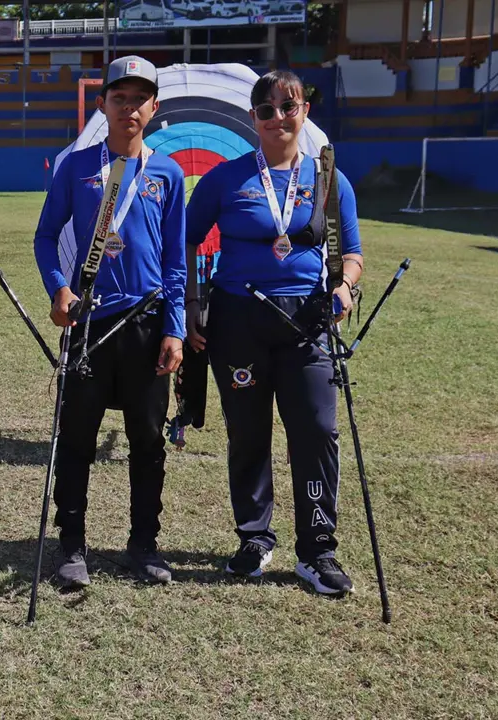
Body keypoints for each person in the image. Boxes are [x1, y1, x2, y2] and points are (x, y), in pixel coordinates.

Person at [184, 70, 364, 596]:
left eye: (289, 107)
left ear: (305, 110)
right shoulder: (224, 178)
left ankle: (317, 550)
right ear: (253, 120)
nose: (278, 117)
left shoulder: (329, 179)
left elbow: (350, 254)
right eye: (266, 110)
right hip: (239, 321)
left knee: (315, 431)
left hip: (306, 322)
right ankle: (254, 538)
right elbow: (186, 243)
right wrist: (194, 304)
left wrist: (345, 286)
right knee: (248, 433)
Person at [32, 56, 187, 588]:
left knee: (147, 439)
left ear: (154, 108)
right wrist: (59, 290)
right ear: (103, 105)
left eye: (140, 98)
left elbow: (175, 261)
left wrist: (175, 327)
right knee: (77, 438)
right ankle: (70, 545)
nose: (130, 107)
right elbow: (45, 237)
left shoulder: (168, 172)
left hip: (146, 325)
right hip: (90, 323)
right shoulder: (77, 166)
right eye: (119, 98)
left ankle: (143, 544)